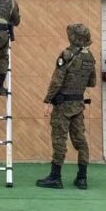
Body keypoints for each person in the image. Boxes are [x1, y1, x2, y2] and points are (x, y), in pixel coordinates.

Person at [36, 24, 97, 190]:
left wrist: (47, 100)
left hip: (62, 105)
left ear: (73, 37)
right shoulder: (89, 56)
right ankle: (82, 178)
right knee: (81, 140)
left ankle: (55, 177)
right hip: (78, 104)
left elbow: (57, 81)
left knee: (59, 140)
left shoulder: (67, 54)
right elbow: (92, 82)